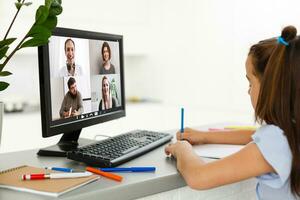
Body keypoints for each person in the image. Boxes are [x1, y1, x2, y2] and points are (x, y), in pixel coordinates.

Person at [165, 26, 300, 200]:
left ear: (271, 87)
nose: (248, 91)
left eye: (251, 83)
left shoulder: (277, 142)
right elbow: (256, 135)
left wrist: (183, 149)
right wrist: (206, 136)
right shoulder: (291, 131)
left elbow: (199, 176)